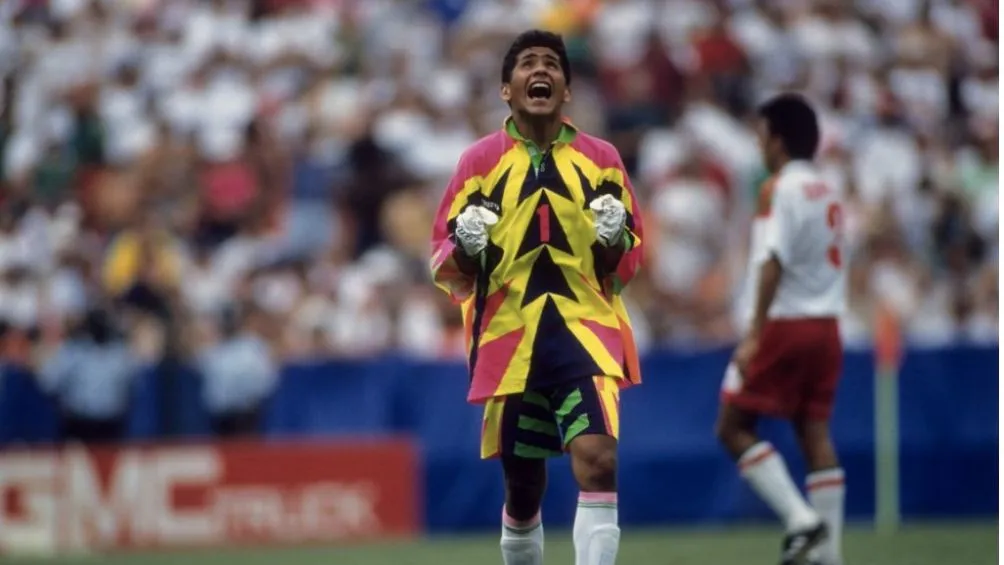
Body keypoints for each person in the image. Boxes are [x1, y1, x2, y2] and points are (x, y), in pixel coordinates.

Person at [429, 30, 644, 565]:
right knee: (523, 489)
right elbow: (443, 259)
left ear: (567, 89)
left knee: (598, 462)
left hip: (586, 331)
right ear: (507, 89)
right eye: (527, 63)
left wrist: (618, 237)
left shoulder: (602, 158)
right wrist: (465, 247)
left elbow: (629, 260)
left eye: (551, 63)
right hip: (508, 339)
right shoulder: (477, 163)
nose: (540, 70)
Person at [716, 93, 847, 565]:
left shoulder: (778, 187)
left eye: (761, 134)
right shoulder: (828, 188)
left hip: (785, 323)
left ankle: (800, 519)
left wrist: (753, 334)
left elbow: (771, 260)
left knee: (732, 426)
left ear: (777, 139)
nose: (758, 143)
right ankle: (829, 555)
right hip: (828, 324)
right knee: (815, 433)